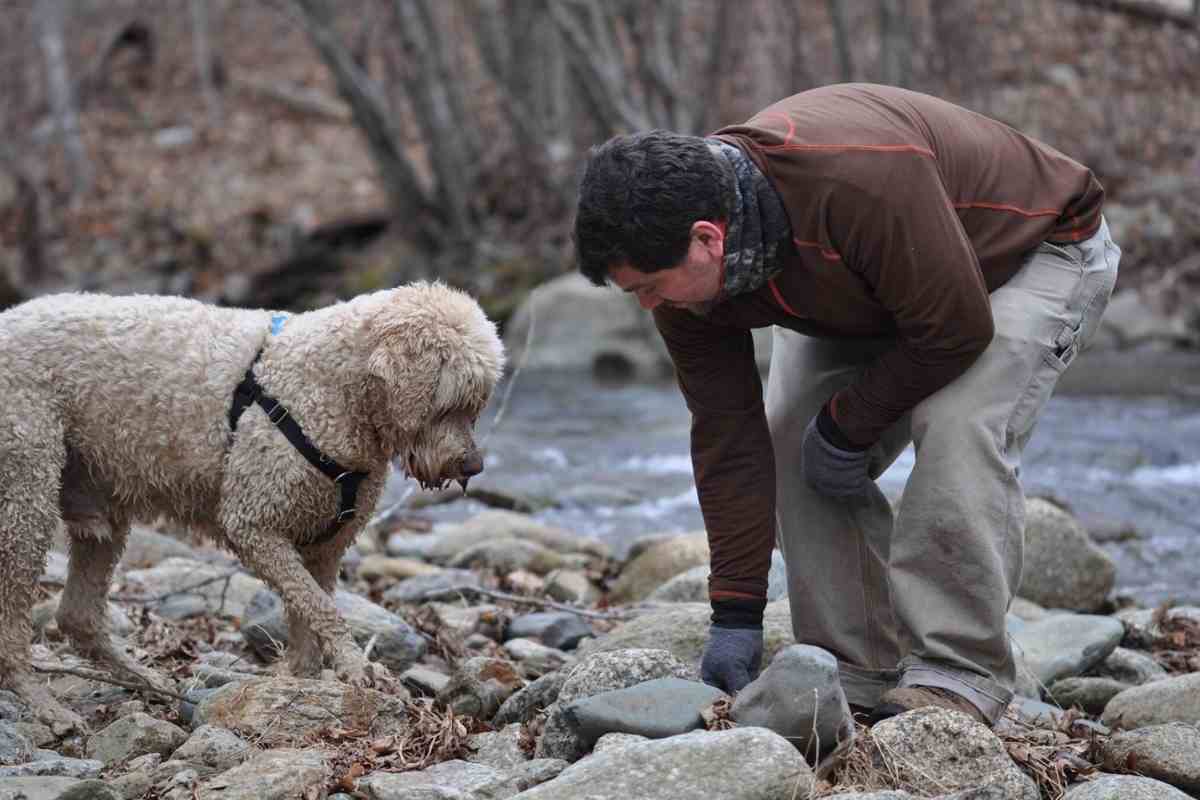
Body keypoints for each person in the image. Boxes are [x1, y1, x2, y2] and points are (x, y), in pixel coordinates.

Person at [572, 83, 1119, 727]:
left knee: (954, 425)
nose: (647, 306)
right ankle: (858, 668)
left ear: (707, 240)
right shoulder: (685, 281)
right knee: (788, 436)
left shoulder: (857, 179)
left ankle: (959, 672)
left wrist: (849, 424)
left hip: (1031, 251)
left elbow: (956, 329)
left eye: (649, 287)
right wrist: (736, 616)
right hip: (882, 282)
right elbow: (728, 436)